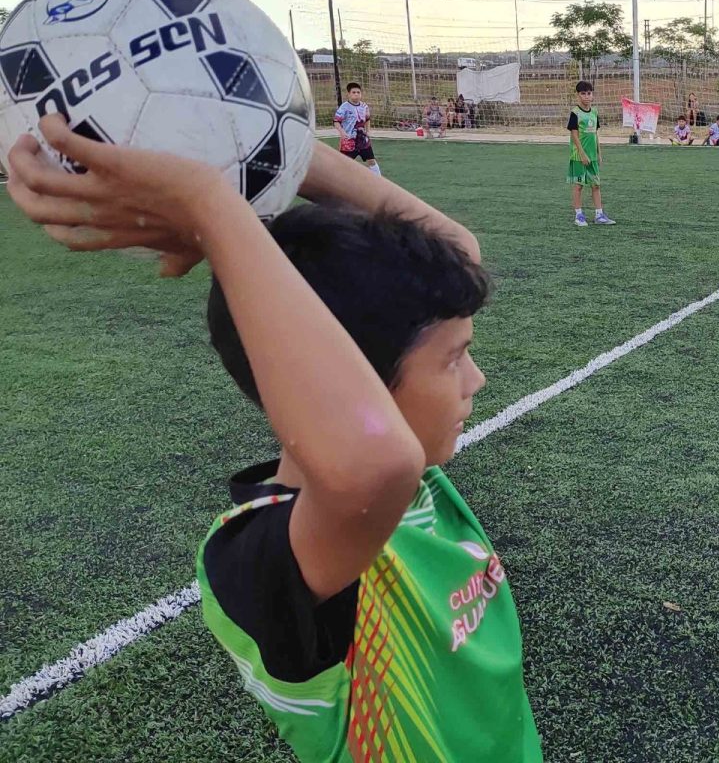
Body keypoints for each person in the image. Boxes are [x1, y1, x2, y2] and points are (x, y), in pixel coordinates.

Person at [4, 115, 543, 762]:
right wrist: (209, 207)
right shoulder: (261, 557)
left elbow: (455, 251)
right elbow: (375, 465)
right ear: (356, 382)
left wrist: (265, 144)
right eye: (454, 359)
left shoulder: (401, 470)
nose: (477, 379)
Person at [567, 80, 615, 226]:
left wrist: (599, 153)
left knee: (596, 185)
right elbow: (574, 135)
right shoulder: (575, 113)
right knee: (578, 185)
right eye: (583, 94)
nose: (586, 96)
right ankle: (579, 215)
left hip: (592, 155)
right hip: (579, 156)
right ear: (578, 95)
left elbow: (595, 134)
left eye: (589, 93)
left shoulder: (594, 112)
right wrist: (582, 153)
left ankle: (599, 215)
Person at [334, 82, 381, 176]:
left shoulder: (364, 106)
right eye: (354, 92)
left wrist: (368, 131)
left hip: (363, 140)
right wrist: (342, 132)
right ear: (349, 94)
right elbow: (336, 122)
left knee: (371, 161)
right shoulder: (344, 107)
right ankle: (340, 182)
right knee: (344, 164)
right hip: (349, 141)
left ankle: (379, 180)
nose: (356, 94)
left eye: (358, 92)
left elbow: (367, 119)